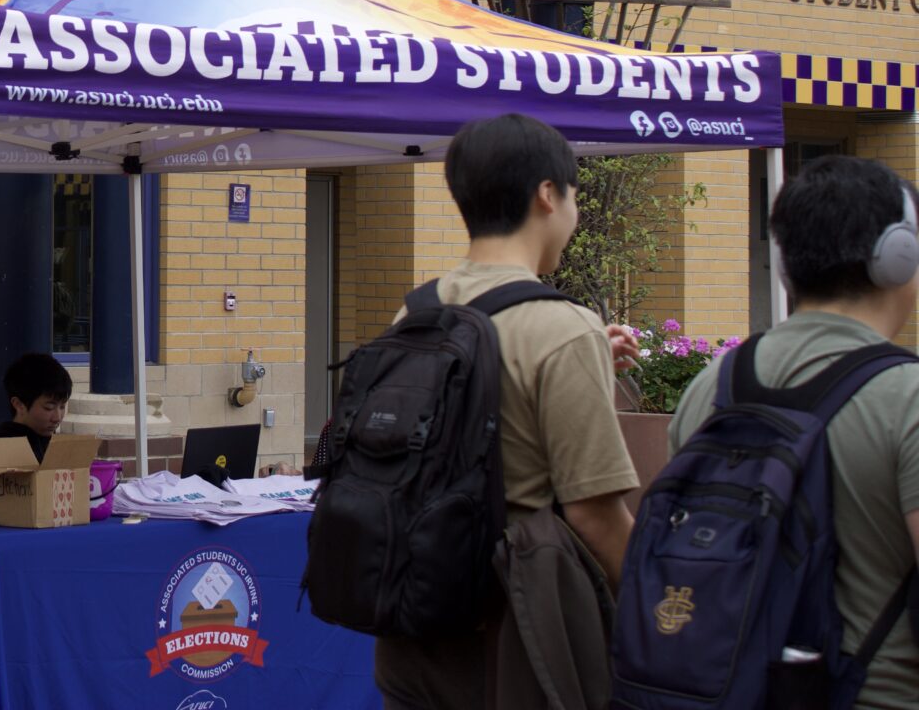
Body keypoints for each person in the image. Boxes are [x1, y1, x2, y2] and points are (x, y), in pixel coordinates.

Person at [376, 113, 641, 710]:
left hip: (412, 618)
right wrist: (663, 610)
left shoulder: (416, 311)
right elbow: (596, 515)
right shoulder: (562, 329)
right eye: (573, 193)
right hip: (517, 628)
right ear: (548, 194)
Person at [666, 157, 919, 708]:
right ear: (899, 259)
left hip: (722, 689)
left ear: (784, 260)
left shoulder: (710, 386)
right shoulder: (909, 397)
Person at [0, 352, 72, 500]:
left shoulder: (54, 444)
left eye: (62, 407)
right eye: (48, 408)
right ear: (19, 405)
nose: (57, 417)